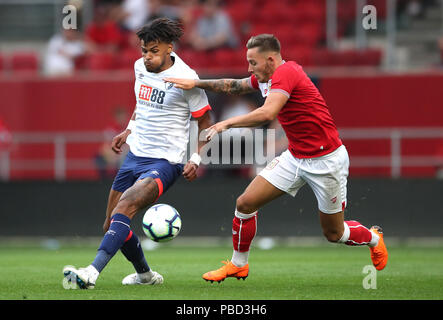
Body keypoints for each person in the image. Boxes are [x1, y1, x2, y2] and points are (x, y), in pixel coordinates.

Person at [164, 34, 388, 283]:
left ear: (270, 59)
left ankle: (373, 238)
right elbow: (234, 85)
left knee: (334, 233)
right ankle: (239, 265)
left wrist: (224, 124)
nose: (249, 68)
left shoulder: (287, 72)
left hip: (326, 161)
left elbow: (267, 113)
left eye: (253, 62)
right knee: (245, 203)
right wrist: (195, 84)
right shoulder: (267, 77)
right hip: (295, 156)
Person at [63, 18, 212, 289]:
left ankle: (91, 273)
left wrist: (196, 157)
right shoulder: (139, 68)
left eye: (153, 51)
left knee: (125, 207)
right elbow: (141, 104)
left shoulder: (187, 78)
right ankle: (145, 276)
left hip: (165, 161)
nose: (147, 57)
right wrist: (128, 129)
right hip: (134, 156)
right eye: (144, 50)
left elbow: (205, 121)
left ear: (169, 48)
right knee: (111, 224)